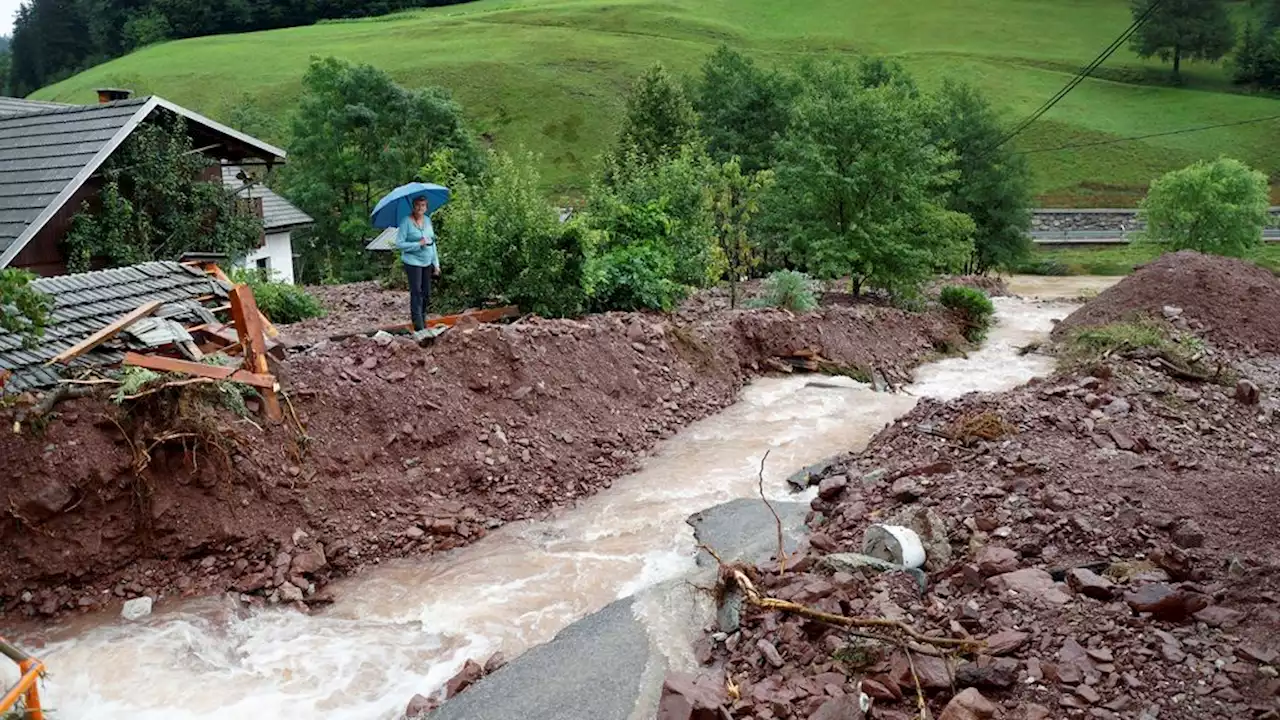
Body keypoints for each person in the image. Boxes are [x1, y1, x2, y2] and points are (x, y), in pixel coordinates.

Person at [395, 196, 441, 331]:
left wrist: (436, 264)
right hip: (412, 262)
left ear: (426, 207)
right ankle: (419, 327)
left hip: (427, 261)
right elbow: (400, 244)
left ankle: (423, 319)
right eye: (417, 205)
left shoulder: (427, 220)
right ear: (413, 207)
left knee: (426, 293)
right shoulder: (406, 222)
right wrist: (417, 244)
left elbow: (433, 243)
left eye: (423, 205)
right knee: (416, 292)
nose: (420, 208)